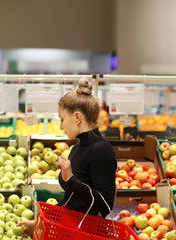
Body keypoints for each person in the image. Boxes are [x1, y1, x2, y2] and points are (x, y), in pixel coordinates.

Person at [17, 78, 117, 236]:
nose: (61, 126)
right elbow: (71, 201)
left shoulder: (101, 150)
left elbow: (104, 205)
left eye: (62, 119)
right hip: (68, 232)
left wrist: (70, 178)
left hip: (86, 235)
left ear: (77, 117)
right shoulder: (77, 148)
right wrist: (38, 223)